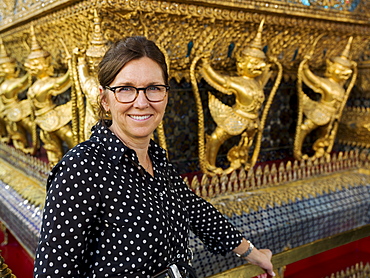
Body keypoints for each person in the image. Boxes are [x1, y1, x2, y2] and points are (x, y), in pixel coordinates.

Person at [33, 36, 275, 278]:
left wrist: (252, 253)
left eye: (153, 88)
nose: (141, 102)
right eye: (125, 89)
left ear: (165, 95)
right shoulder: (82, 168)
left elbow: (195, 210)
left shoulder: (156, 159)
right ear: (105, 99)